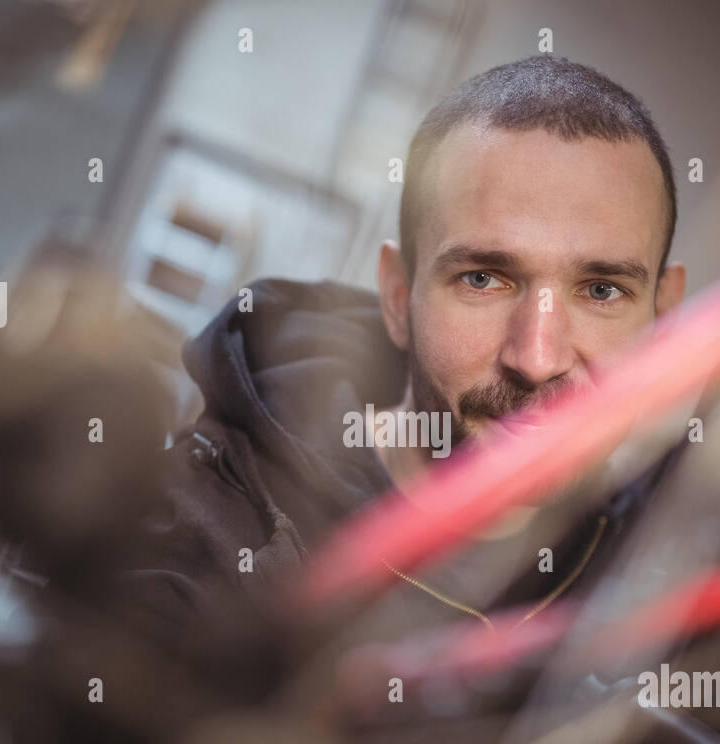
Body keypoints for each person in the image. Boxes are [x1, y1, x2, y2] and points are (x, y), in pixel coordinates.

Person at [126, 55, 687, 643]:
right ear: (398, 296)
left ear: (663, 316)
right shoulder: (198, 544)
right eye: (483, 279)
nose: (537, 357)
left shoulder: (673, 556)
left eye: (601, 290)